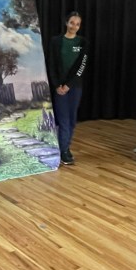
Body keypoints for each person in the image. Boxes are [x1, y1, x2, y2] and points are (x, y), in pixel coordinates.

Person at [47, 11, 89, 165]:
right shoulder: (56, 41)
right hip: (60, 88)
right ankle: (64, 151)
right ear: (66, 23)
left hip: (75, 87)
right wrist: (57, 85)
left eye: (77, 24)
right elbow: (51, 64)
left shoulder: (82, 42)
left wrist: (69, 85)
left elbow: (82, 66)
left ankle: (65, 147)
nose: (74, 26)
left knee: (71, 120)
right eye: (72, 23)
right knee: (64, 119)